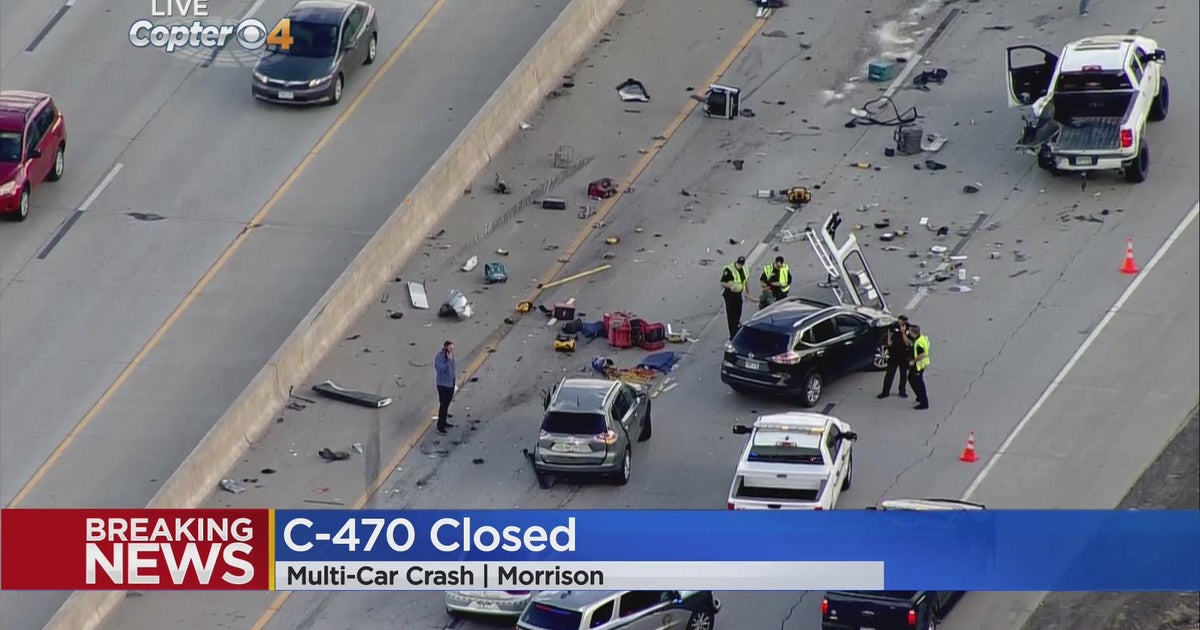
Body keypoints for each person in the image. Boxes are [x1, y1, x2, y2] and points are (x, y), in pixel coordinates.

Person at [876, 315, 911, 399]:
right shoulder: (894, 326)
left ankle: (902, 391)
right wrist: (889, 341)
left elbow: (908, 343)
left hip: (903, 354)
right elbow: (889, 333)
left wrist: (903, 333)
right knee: (890, 374)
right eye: (901, 320)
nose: (901, 322)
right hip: (893, 354)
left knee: (903, 374)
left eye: (903, 321)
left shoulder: (908, 327)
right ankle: (885, 392)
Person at [720, 256, 750, 339]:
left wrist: (747, 292)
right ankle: (732, 334)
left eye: (742, 264)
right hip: (730, 294)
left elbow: (746, 281)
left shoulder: (744, 269)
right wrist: (730, 286)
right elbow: (723, 282)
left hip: (738, 294)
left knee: (738, 311)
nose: (740, 265)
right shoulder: (729, 270)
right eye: (739, 264)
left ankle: (736, 326)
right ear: (737, 262)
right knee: (731, 314)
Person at [434, 340, 457, 433]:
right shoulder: (440, 357)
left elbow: (453, 369)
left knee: (446, 405)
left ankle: (444, 422)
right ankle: (440, 426)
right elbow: (440, 369)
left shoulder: (451, 356)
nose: (452, 350)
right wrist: (448, 360)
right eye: (450, 348)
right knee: (443, 405)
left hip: (450, 384)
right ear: (445, 348)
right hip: (443, 385)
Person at [906, 325, 931, 410]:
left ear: (913, 333)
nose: (909, 332)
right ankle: (919, 396)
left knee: (918, 383)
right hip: (917, 365)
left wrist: (914, 361)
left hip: (918, 366)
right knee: (910, 378)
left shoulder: (918, 343)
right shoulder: (920, 338)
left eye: (910, 331)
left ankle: (924, 402)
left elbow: (923, 354)